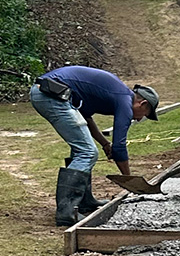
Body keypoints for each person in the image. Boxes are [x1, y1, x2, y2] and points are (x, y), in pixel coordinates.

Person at [30, 67, 159, 227]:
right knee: (88, 152)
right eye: (145, 114)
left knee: (81, 149)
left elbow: (86, 118)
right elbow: (119, 146)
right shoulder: (125, 100)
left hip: (48, 91)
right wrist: (129, 180)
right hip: (51, 94)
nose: (140, 119)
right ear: (142, 103)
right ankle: (66, 212)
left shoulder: (117, 94)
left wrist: (105, 143)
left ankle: (84, 201)